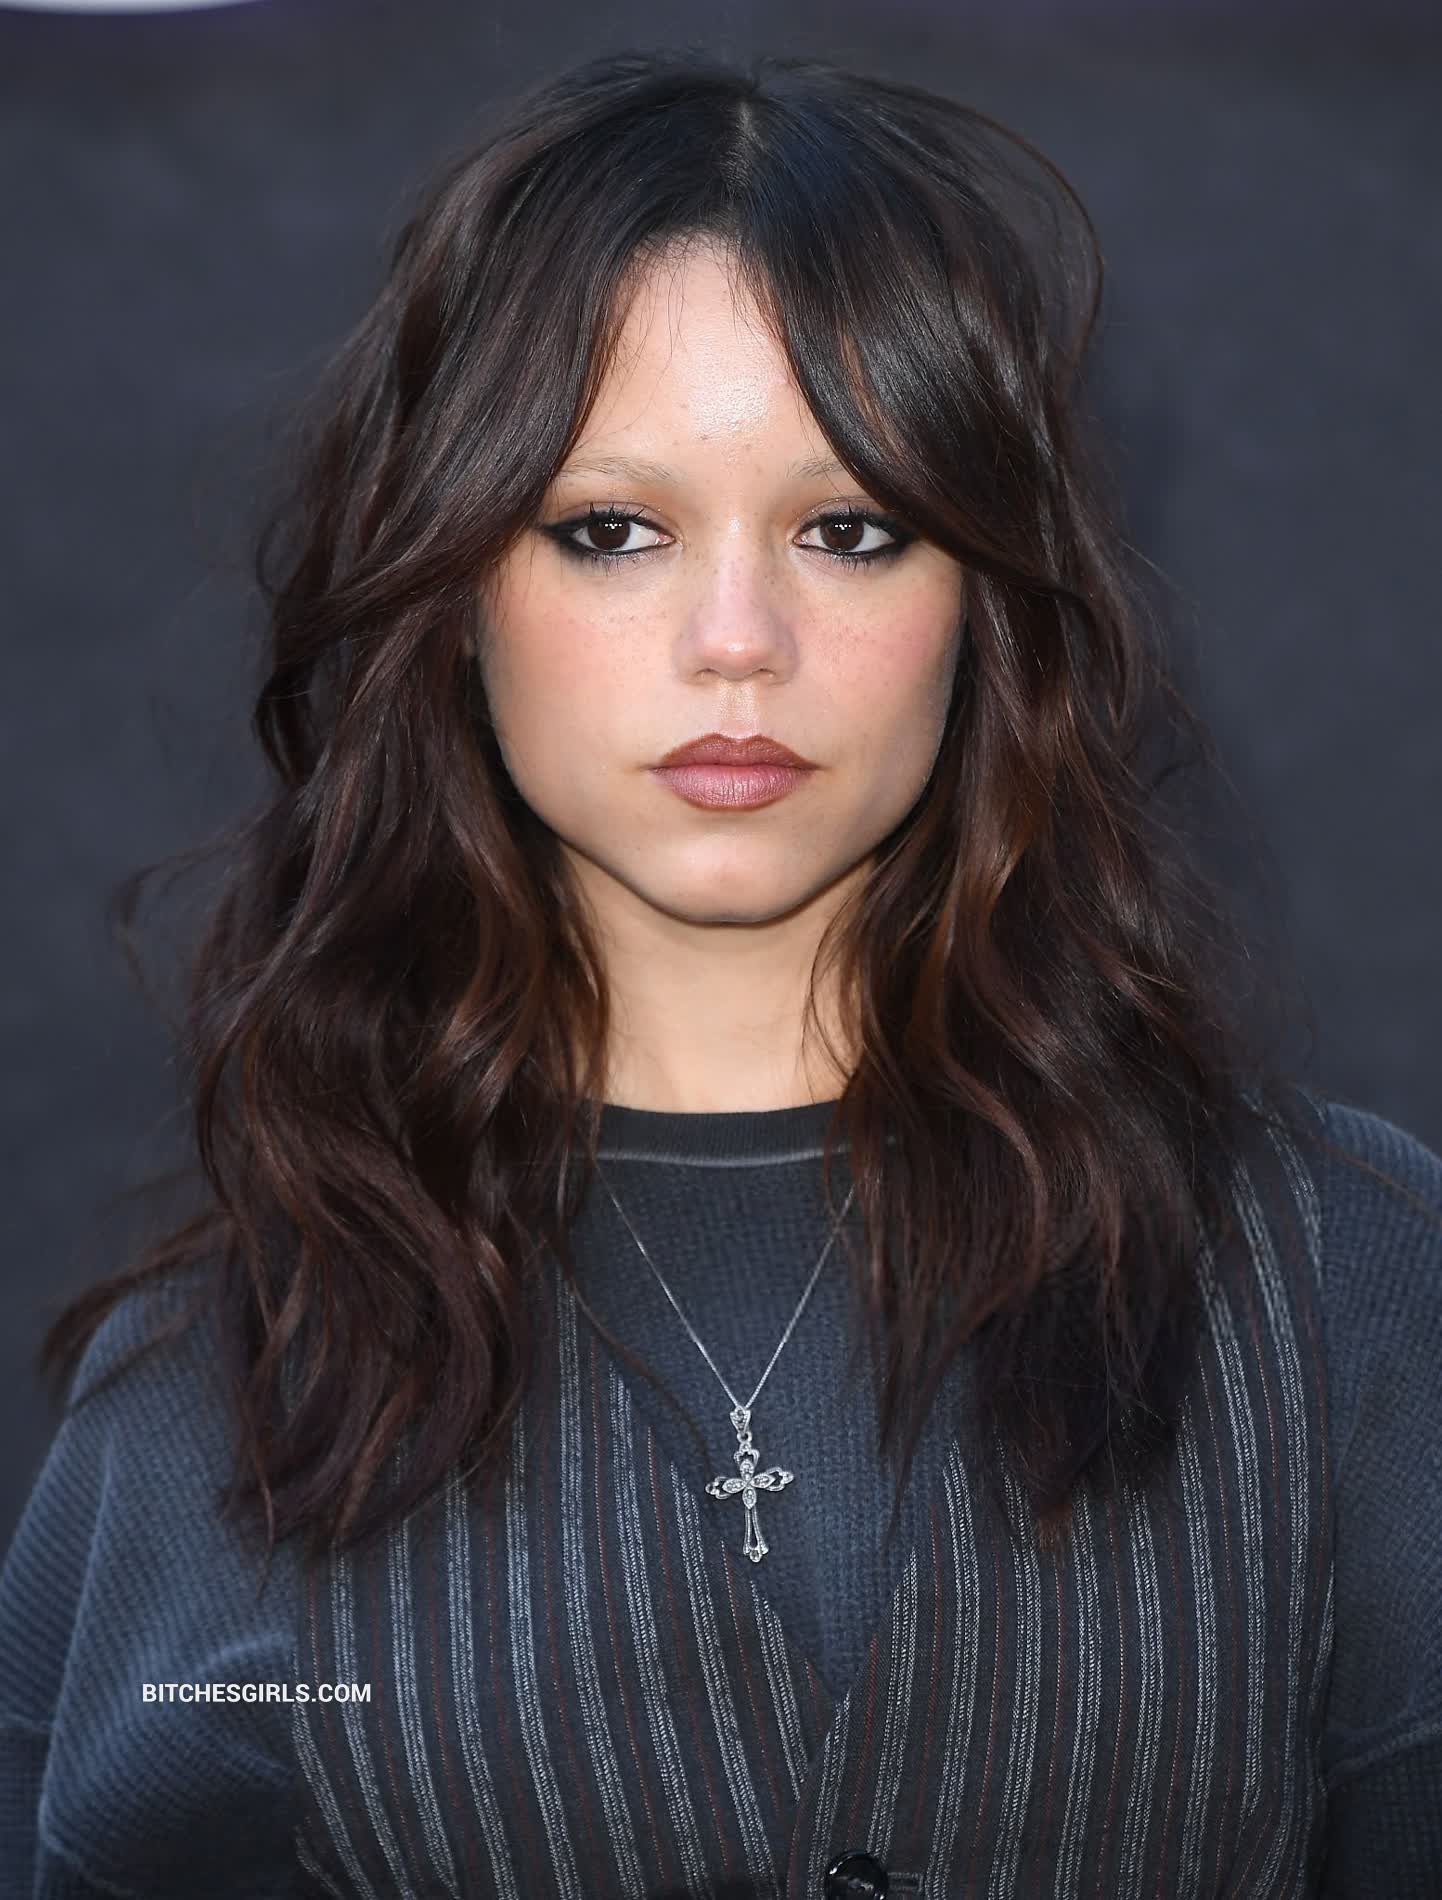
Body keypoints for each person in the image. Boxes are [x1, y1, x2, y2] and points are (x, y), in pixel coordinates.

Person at [3, 43, 1440, 1900]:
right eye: (611, 531)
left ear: (982, 607)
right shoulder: (207, 1396)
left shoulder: (1343, 1280)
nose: (738, 641)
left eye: (851, 530)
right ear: (453, 600)